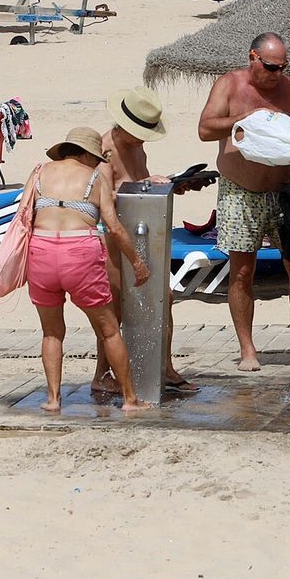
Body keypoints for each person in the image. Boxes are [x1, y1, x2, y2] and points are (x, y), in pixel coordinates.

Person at [197, 32, 290, 371]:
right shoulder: (230, 84)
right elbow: (205, 129)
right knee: (242, 270)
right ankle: (248, 349)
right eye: (270, 66)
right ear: (253, 57)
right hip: (240, 189)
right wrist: (246, 120)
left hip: (284, 189)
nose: (276, 73)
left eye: (282, 67)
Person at [22, 127, 151, 413]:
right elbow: (114, 228)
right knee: (108, 331)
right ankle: (130, 400)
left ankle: (53, 399)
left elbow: (23, 217)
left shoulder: (39, 172)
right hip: (79, 253)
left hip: (41, 253)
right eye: (94, 158)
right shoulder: (95, 178)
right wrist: (137, 263)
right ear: (83, 154)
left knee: (51, 333)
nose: (96, 164)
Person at [93, 87, 207, 395]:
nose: (143, 138)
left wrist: (171, 184)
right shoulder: (104, 150)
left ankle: (165, 368)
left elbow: (136, 184)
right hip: (113, 238)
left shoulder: (137, 147)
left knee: (163, 299)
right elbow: (105, 200)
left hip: (141, 231)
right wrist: (143, 184)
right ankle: (102, 375)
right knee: (114, 309)